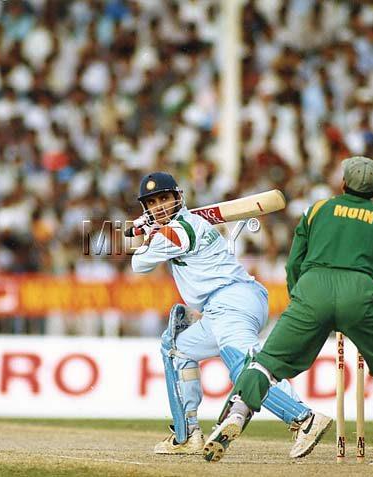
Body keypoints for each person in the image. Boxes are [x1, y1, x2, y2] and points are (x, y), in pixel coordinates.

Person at [203, 156, 373, 467]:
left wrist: (300, 298)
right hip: (361, 294)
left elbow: (294, 262)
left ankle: (236, 413)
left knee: (266, 363)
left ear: (342, 182)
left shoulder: (317, 209)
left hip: (312, 289)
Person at [130, 172, 332, 457]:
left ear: (178, 197)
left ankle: (304, 419)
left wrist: (143, 232)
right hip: (225, 305)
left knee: (243, 365)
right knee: (177, 349)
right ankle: (187, 434)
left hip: (232, 301)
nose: (160, 206)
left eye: (164, 198)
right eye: (152, 203)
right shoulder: (188, 223)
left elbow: (139, 264)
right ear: (146, 208)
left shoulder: (175, 231)